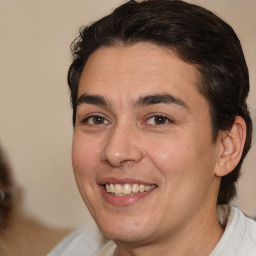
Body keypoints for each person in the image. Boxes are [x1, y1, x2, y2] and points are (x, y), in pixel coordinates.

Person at [48, 0, 256, 255]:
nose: (116, 152)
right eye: (97, 119)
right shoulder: (73, 250)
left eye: (159, 119)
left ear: (227, 147)